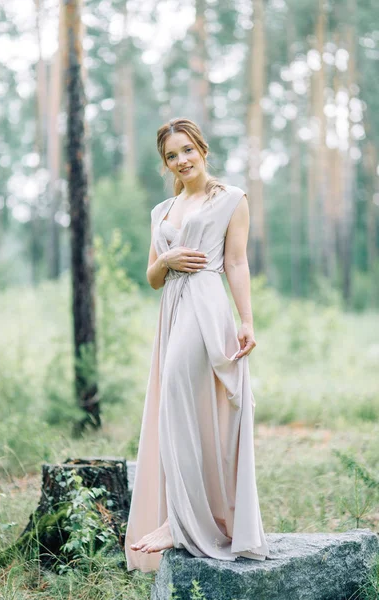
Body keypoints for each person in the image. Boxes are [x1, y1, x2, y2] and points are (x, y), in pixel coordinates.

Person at [124, 117, 270, 573]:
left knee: (180, 397)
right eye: (172, 155)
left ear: (202, 149)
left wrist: (246, 320)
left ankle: (179, 522)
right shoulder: (162, 211)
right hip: (171, 306)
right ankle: (181, 517)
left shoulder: (231, 200)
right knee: (175, 407)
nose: (182, 160)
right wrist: (165, 258)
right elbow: (151, 279)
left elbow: (237, 262)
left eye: (188, 150)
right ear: (165, 163)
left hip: (207, 303)